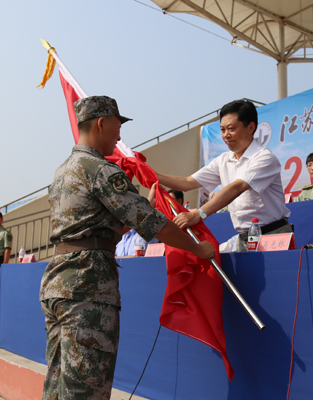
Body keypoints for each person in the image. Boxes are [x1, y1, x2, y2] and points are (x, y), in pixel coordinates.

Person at [39, 95, 215, 400]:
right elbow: (154, 224)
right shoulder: (100, 170)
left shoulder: (62, 171)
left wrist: (141, 212)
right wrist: (198, 250)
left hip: (58, 283)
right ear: (101, 123)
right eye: (117, 125)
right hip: (87, 286)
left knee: (58, 384)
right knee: (86, 389)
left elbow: (95, 229)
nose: (119, 136)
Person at [155, 99, 291, 252]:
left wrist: (198, 214)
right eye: (222, 130)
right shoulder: (223, 160)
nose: (226, 135)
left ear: (251, 127)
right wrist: (148, 173)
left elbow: (237, 187)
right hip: (245, 238)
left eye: (231, 129)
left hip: (273, 236)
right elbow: (187, 182)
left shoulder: (264, 157)